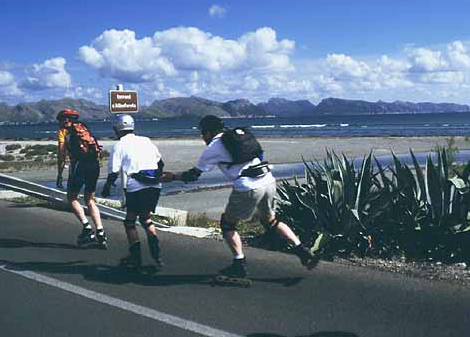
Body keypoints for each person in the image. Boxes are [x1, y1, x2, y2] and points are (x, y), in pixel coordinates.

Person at [161, 115, 318, 278]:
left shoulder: (213, 147)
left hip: (248, 187)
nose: (202, 137)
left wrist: (172, 177)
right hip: (268, 181)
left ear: (208, 132)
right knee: (271, 221)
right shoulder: (239, 138)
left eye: (203, 133)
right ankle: (302, 251)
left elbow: (193, 175)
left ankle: (239, 264)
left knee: (228, 224)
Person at [101, 114, 164, 270]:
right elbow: (160, 162)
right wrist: (155, 178)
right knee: (146, 218)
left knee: (130, 221)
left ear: (118, 129)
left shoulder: (119, 145)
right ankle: (156, 253)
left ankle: (135, 258)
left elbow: (113, 172)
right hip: (155, 185)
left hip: (136, 186)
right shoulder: (146, 140)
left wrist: (107, 187)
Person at [56, 109, 106, 248]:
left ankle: (87, 227)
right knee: (90, 199)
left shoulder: (64, 132)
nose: (59, 123)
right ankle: (101, 232)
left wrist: (60, 174)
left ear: (66, 120)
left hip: (79, 165)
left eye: (60, 120)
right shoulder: (84, 128)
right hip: (94, 165)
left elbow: (61, 156)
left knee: (72, 197)